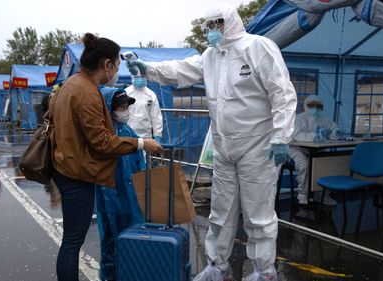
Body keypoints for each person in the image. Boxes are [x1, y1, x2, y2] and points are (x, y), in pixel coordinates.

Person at [127, 4, 297, 280]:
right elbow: (181, 70)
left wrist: (281, 137)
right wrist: (149, 69)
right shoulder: (210, 56)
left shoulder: (258, 47)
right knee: (220, 212)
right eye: (209, 25)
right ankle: (218, 266)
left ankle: (264, 271)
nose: (212, 30)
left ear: (230, 22)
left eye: (218, 23)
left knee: (258, 214)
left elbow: (283, 94)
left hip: (258, 146)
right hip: (223, 146)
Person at [49, 33, 162, 281]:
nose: (117, 72)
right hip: (75, 173)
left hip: (66, 167)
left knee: (71, 240)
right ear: (107, 65)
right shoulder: (88, 92)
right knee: (72, 241)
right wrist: (142, 143)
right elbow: (101, 141)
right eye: (117, 66)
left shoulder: (70, 85)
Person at [96, 86, 146, 281]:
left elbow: (139, 162)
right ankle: (110, 276)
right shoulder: (104, 134)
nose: (125, 110)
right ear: (109, 108)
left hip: (129, 193)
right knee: (110, 235)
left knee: (131, 232)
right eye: (121, 107)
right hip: (110, 193)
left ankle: (129, 273)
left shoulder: (127, 130)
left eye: (126, 106)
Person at [291, 95, 343, 206]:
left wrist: (336, 132)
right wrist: (318, 135)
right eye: (311, 105)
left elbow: (333, 129)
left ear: (321, 107)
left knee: (326, 164)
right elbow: (297, 135)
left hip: (316, 150)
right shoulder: (299, 118)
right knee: (305, 165)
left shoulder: (324, 118)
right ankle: (303, 195)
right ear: (305, 105)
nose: (314, 108)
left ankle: (321, 194)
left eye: (317, 106)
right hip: (297, 148)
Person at [125, 76, 163, 143]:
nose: (140, 80)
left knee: (144, 153)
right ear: (132, 77)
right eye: (137, 77)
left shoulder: (151, 95)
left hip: (146, 136)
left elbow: (156, 116)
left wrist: (157, 135)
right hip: (128, 134)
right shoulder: (126, 93)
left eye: (142, 77)